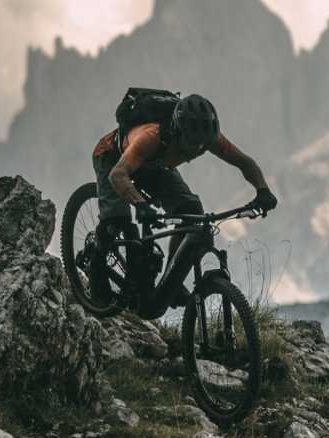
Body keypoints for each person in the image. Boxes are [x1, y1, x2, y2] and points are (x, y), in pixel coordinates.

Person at [89, 92, 276, 306]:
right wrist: (139, 204)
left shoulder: (208, 138)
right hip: (112, 158)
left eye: (202, 145)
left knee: (191, 211)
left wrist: (263, 190)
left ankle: (173, 281)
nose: (197, 148)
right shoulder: (152, 136)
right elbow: (118, 175)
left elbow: (244, 162)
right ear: (178, 132)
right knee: (116, 220)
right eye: (192, 142)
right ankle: (96, 267)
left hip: (154, 164)